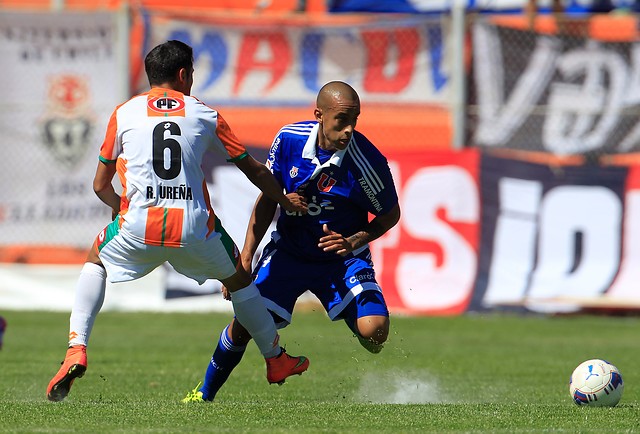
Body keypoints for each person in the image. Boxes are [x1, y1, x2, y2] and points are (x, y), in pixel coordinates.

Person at [46, 40, 310, 402]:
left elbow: (99, 185)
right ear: (184, 75)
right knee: (240, 281)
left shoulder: (124, 112)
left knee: (96, 261)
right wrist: (283, 200)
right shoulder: (205, 114)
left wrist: (119, 213)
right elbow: (254, 170)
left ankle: (77, 348)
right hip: (194, 227)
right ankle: (275, 358)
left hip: (138, 223)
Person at [183, 81, 401, 402]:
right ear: (319, 115)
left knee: (375, 333)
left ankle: (356, 317)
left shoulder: (367, 162)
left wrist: (355, 239)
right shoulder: (289, 140)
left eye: (355, 119)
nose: (349, 129)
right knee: (244, 324)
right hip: (289, 253)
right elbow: (267, 199)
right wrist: (245, 259)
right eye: (342, 119)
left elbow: (390, 215)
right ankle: (204, 394)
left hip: (341, 260)